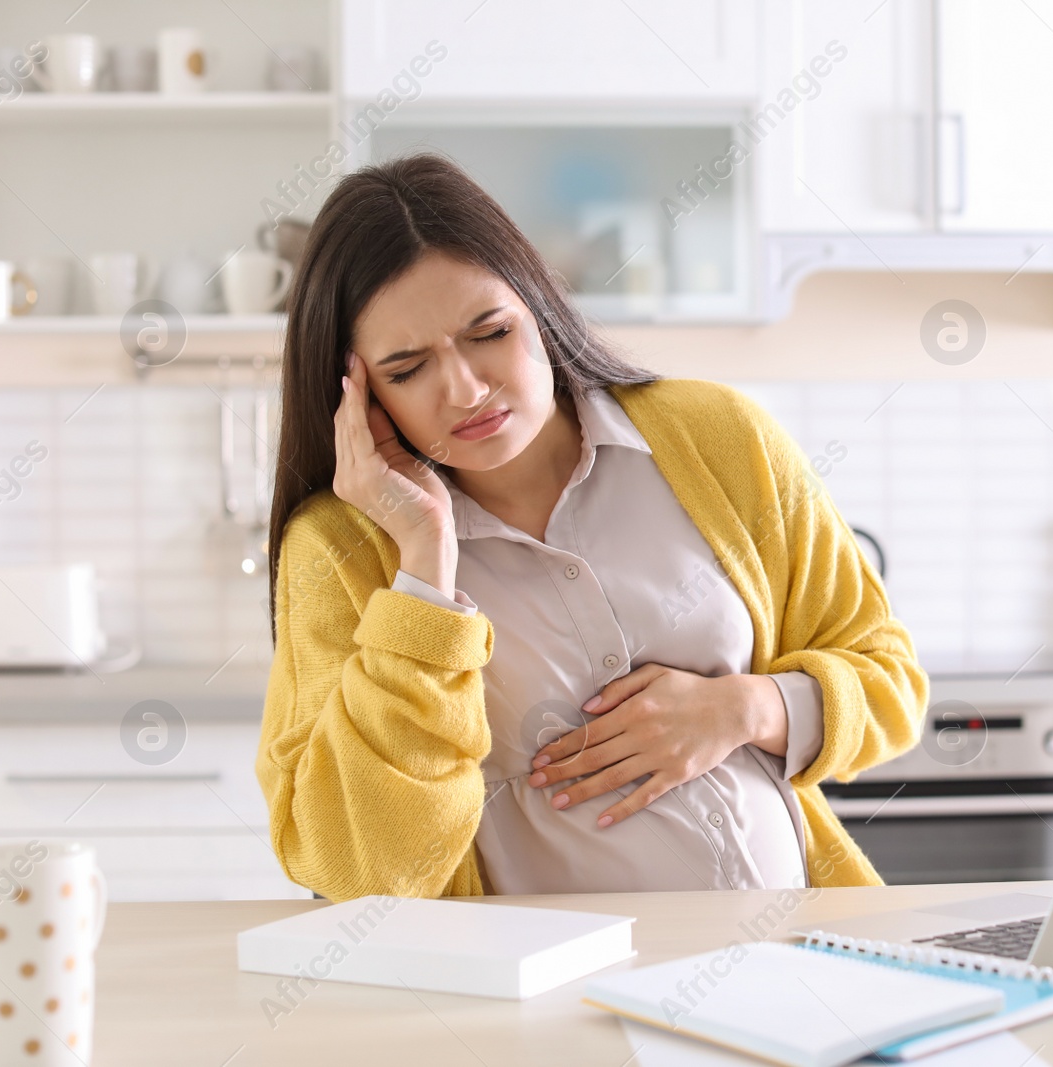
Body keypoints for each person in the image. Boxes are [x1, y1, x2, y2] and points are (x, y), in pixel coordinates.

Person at [257, 152, 928, 902]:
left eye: (489, 331)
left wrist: (745, 707)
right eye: (408, 367)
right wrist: (421, 573)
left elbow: (889, 679)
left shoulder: (720, 438)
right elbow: (360, 865)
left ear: (537, 305)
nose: (467, 388)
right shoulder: (336, 552)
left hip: (796, 958)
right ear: (358, 395)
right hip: (541, 1007)